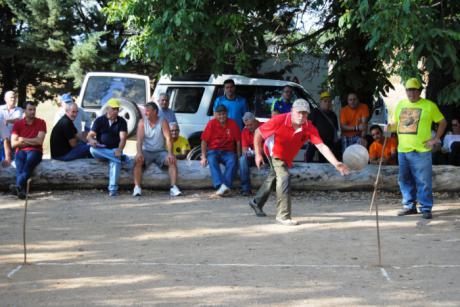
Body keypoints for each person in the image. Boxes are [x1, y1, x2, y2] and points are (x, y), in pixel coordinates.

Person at [249, 99, 349, 226]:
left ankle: (256, 202)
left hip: (286, 155)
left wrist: (336, 163)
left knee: (274, 177)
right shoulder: (279, 120)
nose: (302, 116)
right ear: (292, 111)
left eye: (305, 113)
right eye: (299, 112)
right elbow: (258, 132)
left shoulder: (309, 127)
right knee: (284, 176)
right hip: (274, 151)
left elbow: (321, 146)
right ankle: (283, 215)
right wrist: (258, 154)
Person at [392, 78, 447, 219]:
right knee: (404, 180)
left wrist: (435, 139)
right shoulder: (401, 104)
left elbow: (442, 122)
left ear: (419, 91)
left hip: (421, 151)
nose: (410, 92)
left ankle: (426, 208)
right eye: (408, 89)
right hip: (403, 150)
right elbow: (395, 123)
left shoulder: (429, 105)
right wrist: (389, 126)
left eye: (413, 89)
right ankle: (409, 206)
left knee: (423, 181)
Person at [132, 102, 182, 197]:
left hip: (160, 151)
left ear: (155, 112)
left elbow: (168, 138)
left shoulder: (163, 121)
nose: (145, 113)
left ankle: (173, 187)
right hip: (146, 151)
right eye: (145, 111)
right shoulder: (142, 122)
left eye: (147, 111)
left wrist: (170, 153)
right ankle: (137, 187)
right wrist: (139, 152)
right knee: (137, 161)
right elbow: (139, 140)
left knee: (172, 161)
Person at [87, 98, 128, 196]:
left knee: (115, 161)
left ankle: (113, 190)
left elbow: (123, 139)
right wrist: (92, 140)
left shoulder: (122, 121)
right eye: (113, 109)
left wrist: (119, 149)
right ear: (107, 109)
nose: (116, 111)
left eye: (117, 109)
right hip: (101, 150)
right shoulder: (99, 120)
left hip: (115, 149)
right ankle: (119, 157)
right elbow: (90, 135)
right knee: (92, 149)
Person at [201, 104, 241, 196]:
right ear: (215, 114)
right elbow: (204, 141)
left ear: (227, 113)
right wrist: (203, 156)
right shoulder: (211, 123)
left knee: (232, 161)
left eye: (223, 114)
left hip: (228, 152)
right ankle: (221, 185)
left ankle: (224, 187)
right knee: (211, 159)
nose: (222, 116)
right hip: (214, 150)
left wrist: (238, 156)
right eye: (219, 114)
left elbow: (238, 142)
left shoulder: (233, 123)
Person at [10, 102, 46, 199]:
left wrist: (23, 139)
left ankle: (18, 186)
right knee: (20, 168)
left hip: (35, 151)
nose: (32, 112)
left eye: (34, 109)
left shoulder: (41, 122)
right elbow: (13, 144)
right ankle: (22, 192)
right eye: (30, 109)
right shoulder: (18, 124)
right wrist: (31, 141)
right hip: (21, 151)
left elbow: (39, 141)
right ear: (24, 111)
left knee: (28, 166)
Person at [306, 91, 340, 162]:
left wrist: (333, 143)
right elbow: (309, 125)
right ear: (320, 102)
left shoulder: (333, 115)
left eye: (329, 101)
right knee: (309, 158)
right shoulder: (315, 112)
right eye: (325, 101)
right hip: (316, 141)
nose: (327, 103)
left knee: (325, 163)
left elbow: (335, 130)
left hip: (328, 143)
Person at [239, 112, 261, 196]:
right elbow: (244, 150)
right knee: (242, 159)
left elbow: (269, 146)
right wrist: (252, 152)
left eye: (251, 124)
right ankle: (246, 189)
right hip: (253, 155)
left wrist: (258, 151)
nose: (249, 127)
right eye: (246, 125)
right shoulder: (245, 131)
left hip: (265, 155)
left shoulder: (264, 126)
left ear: (255, 120)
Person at [0, 91, 23, 165]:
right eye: (11, 97)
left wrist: (8, 121)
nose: (14, 99)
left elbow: (17, 120)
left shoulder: (19, 109)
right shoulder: (0, 109)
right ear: (5, 99)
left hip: (13, 138)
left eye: (15, 97)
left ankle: (8, 159)